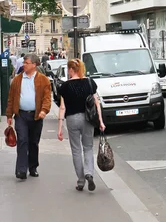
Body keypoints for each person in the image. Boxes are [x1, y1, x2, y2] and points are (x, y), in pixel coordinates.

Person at [57, 58, 105, 192]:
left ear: (71, 70)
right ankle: (89, 173)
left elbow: (62, 107)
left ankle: (80, 181)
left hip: (72, 119)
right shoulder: (89, 83)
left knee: (76, 150)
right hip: (88, 119)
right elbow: (96, 103)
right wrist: (100, 121)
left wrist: (60, 128)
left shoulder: (65, 87)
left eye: (68, 69)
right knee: (88, 147)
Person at [6, 53, 51, 180]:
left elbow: (47, 98)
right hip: (21, 115)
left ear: (34, 64)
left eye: (26, 63)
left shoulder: (43, 80)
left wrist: (44, 110)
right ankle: (21, 170)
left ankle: (33, 167)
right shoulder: (17, 80)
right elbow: (11, 98)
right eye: (24, 63)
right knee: (22, 140)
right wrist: (9, 114)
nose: (24, 65)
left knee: (33, 142)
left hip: (36, 116)